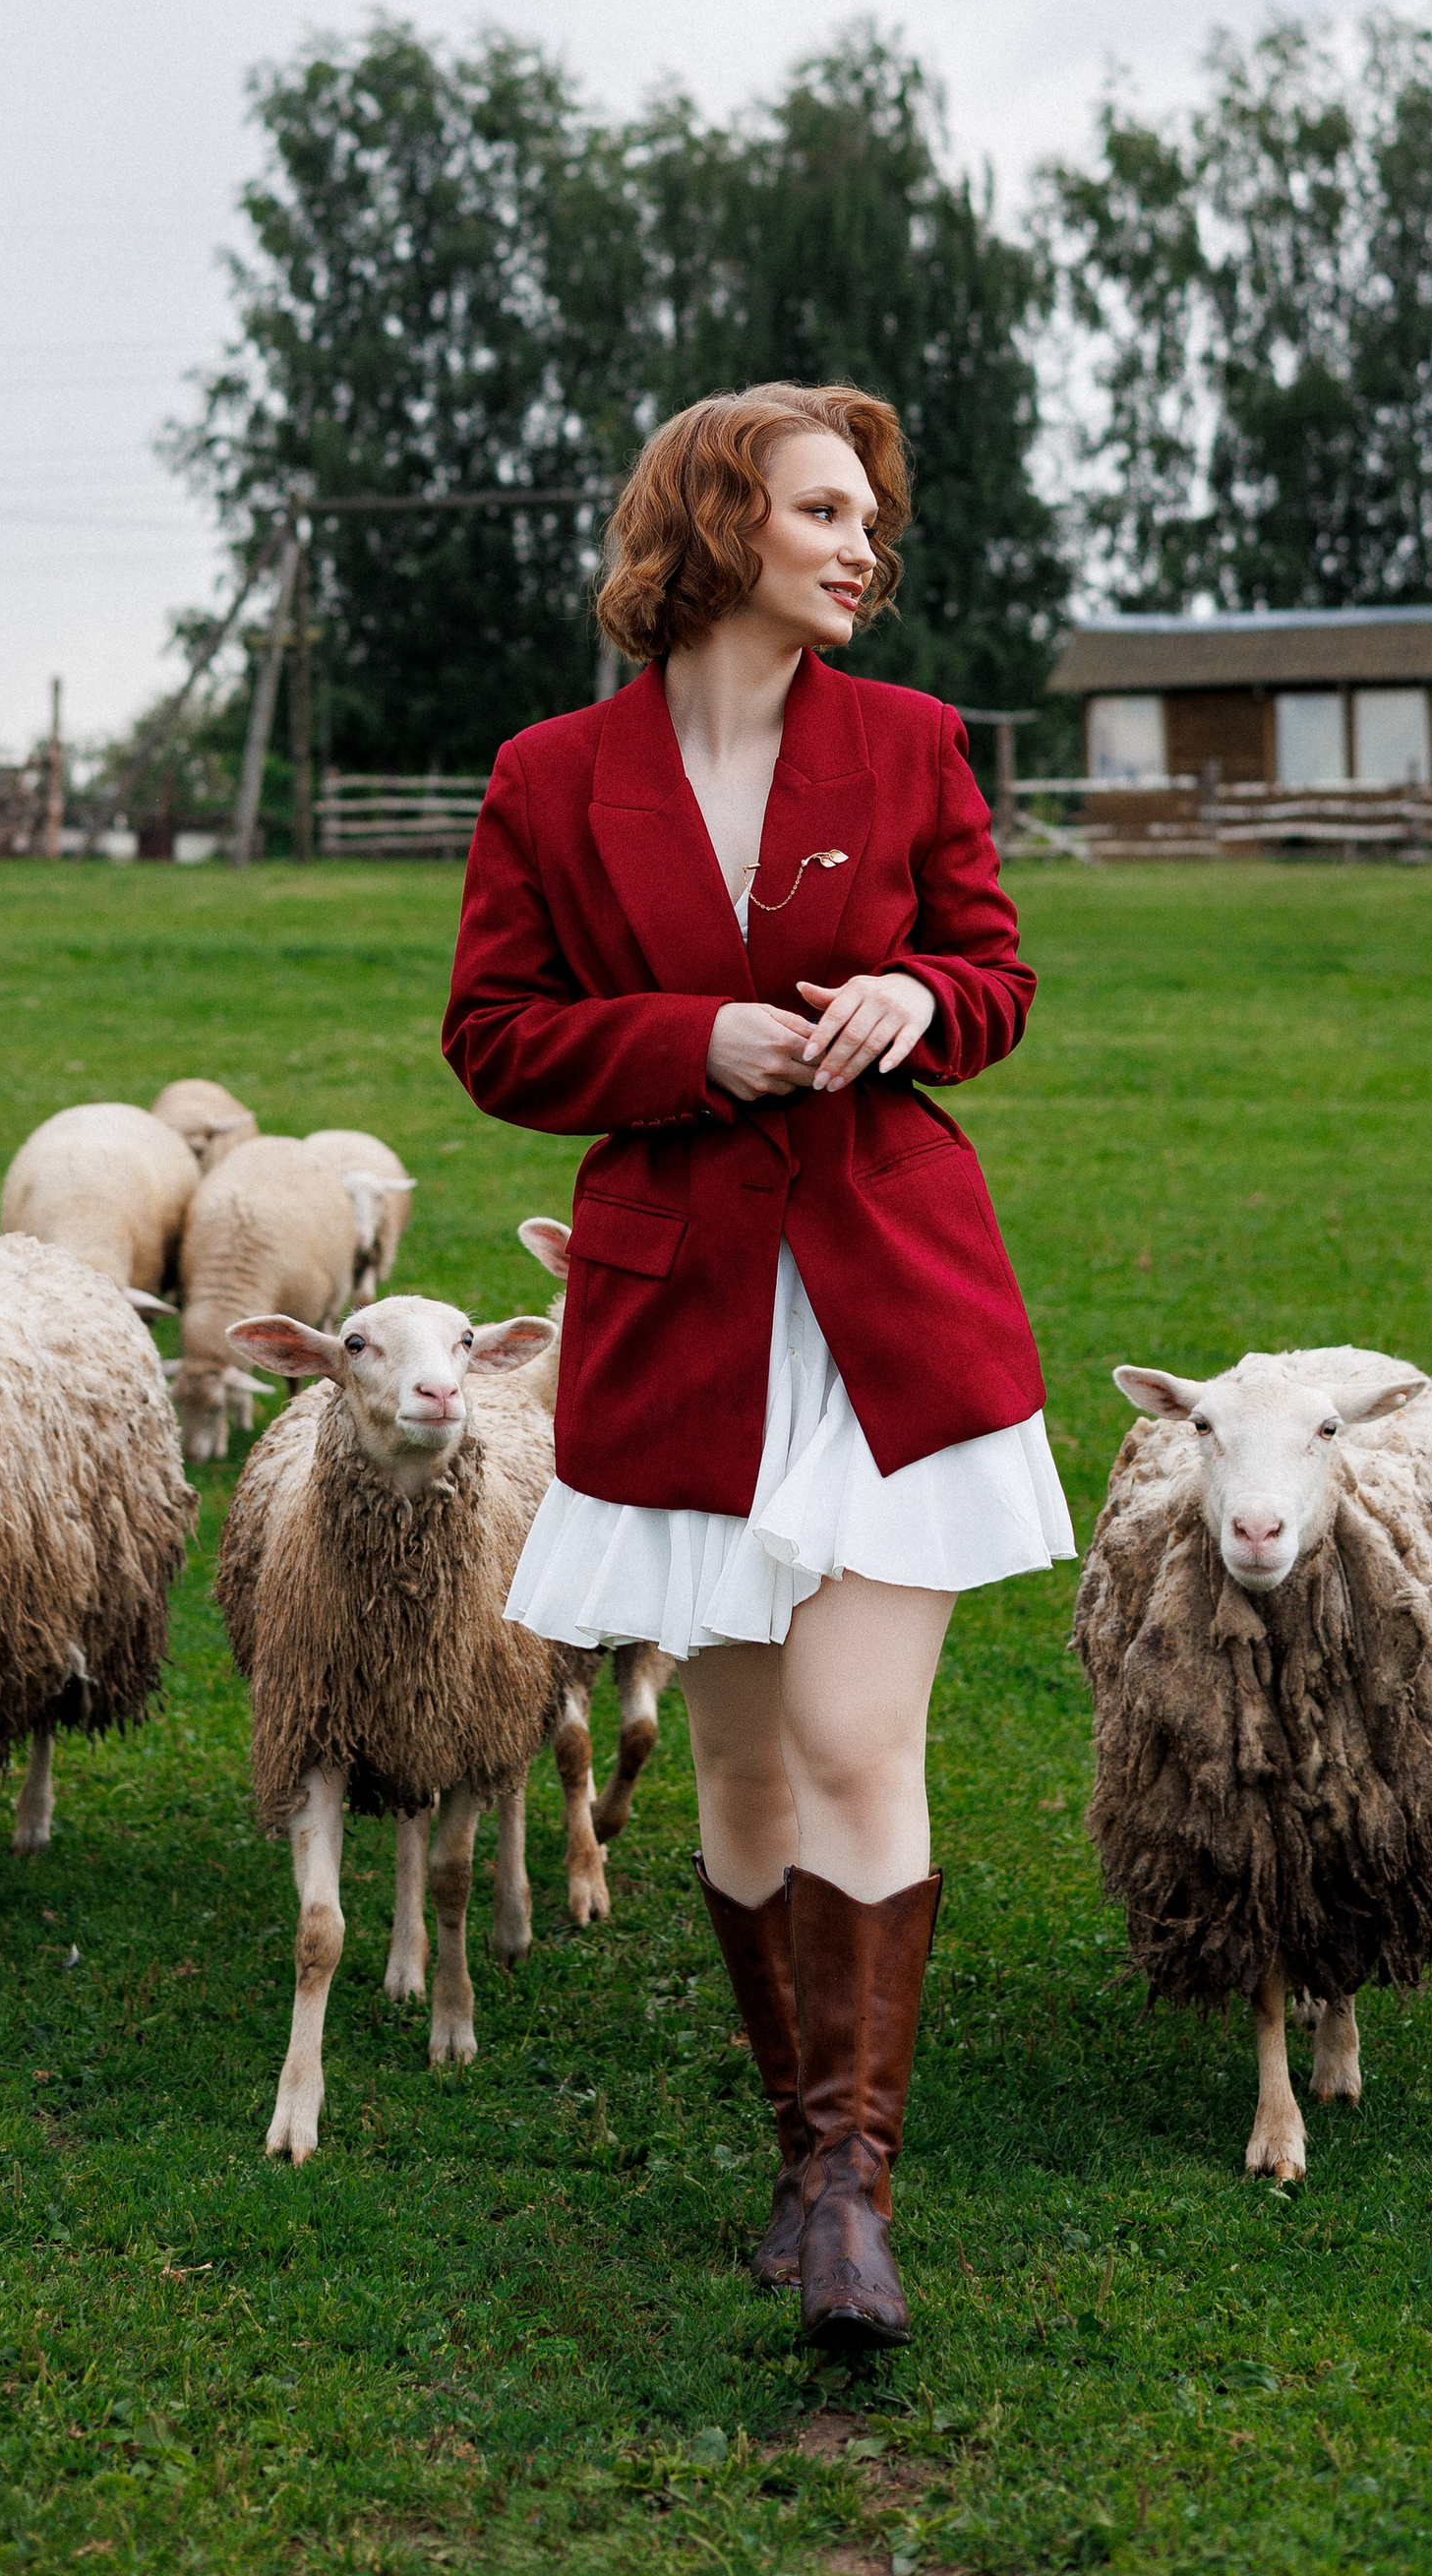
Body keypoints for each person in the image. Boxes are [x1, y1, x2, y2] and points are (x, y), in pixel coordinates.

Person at [443, 382, 1070, 2354]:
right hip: (681, 1311)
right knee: (731, 1763)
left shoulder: (909, 748)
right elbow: (492, 1032)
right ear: (714, 526)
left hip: (890, 1309)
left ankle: (848, 2193)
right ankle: (795, 2143)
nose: (859, 544)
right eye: (821, 510)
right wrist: (683, 1048)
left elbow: (996, 976)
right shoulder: (548, 778)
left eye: (868, 516)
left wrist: (914, 995)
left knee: (858, 1744)